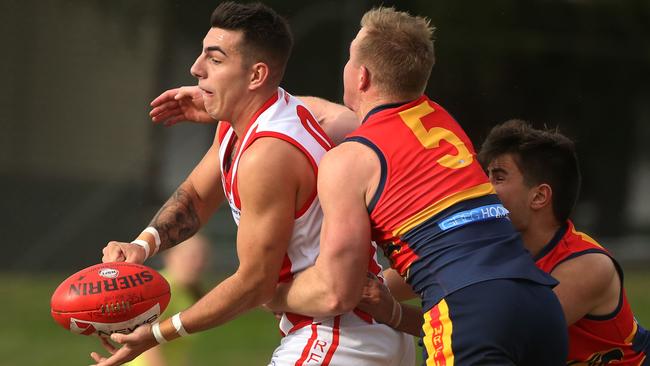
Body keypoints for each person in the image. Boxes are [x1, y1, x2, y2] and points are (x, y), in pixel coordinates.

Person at [91, 2, 413, 366]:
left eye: (214, 59)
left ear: (256, 75)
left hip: (337, 337)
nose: (196, 69)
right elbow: (196, 196)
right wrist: (140, 247)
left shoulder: (268, 154)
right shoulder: (250, 117)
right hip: (355, 332)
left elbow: (254, 284)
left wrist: (157, 333)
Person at [266, 7, 569, 365]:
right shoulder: (441, 120)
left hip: (469, 310)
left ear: (361, 76)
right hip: (539, 305)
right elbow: (338, 117)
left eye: (349, 59)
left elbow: (336, 293)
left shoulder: (350, 161)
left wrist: (269, 293)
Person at [478, 119, 650, 365]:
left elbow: (498, 340)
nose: (484, 188)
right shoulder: (495, 250)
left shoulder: (588, 266)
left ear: (539, 196)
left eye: (498, 177)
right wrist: (400, 315)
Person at [126, 234, 211, 366]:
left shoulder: (187, 291)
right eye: (190, 257)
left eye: (202, 257)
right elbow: (147, 343)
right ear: (170, 256)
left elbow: (179, 350)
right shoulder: (161, 290)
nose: (197, 263)